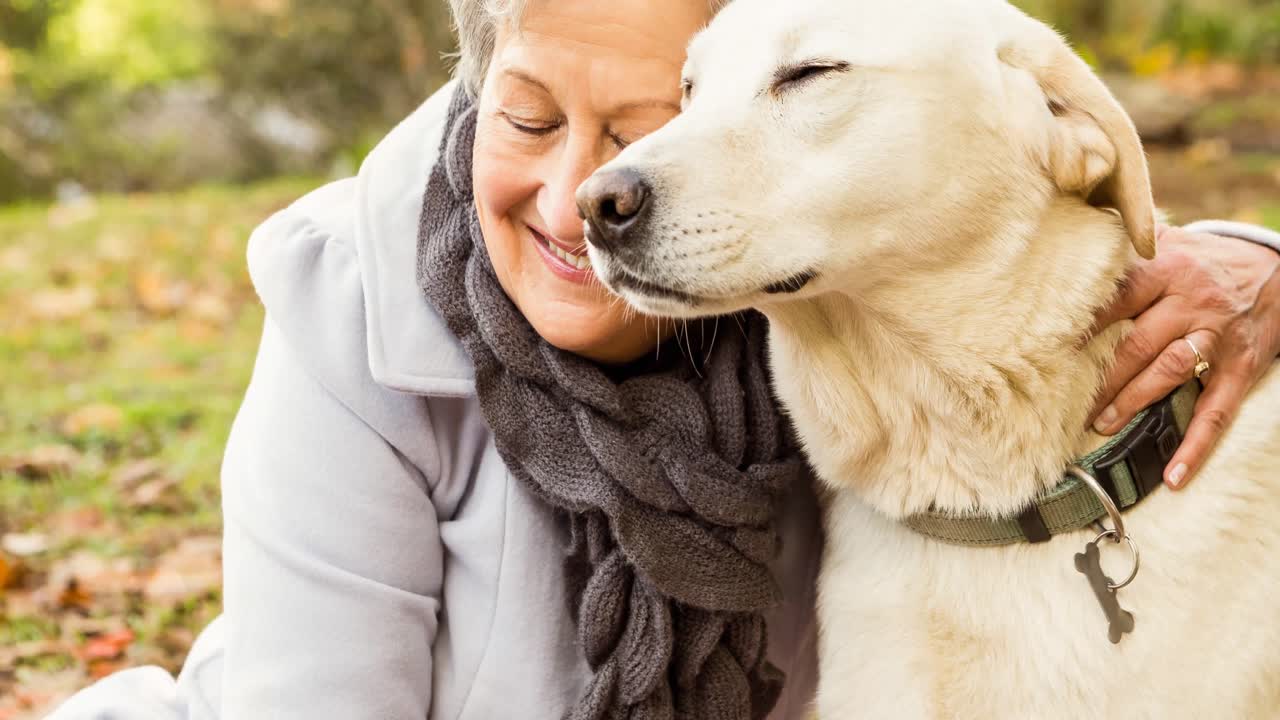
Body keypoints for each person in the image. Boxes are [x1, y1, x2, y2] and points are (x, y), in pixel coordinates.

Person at [49, 0, 1280, 717]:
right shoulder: (349, 296)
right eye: (526, 118)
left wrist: (1251, 259)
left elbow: (974, 230)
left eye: (650, 122)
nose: (589, 196)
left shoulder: (794, 291)